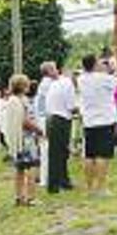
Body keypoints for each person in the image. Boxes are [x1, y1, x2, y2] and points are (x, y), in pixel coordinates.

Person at [80, 55, 117, 196]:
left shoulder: (82, 79)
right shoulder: (103, 78)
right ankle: (102, 188)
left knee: (89, 155)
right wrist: (116, 67)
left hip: (89, 121)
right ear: (94, 65)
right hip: (104, 120)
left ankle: (89, 188)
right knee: (102, 155)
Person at [5, 75, 42, 206]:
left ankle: (19, 196)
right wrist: (38, 130)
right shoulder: (22, 100)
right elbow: (25, 120)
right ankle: (31, 197)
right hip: (26, 138)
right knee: (31, 166)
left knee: (19, 168)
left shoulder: (10, 100)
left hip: (16, 139)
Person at [45, 64, 76, 193]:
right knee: (59, 153)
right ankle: (55, 184)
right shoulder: (67, 83)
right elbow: (70, 105)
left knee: (59, 152)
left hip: (52, 119)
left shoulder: (53, 84)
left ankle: (62, 180)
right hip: (61, 119)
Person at [34, 62, 57, 186]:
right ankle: (46, 178)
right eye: (54, 69)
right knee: (46, 149)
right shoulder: (49, 84)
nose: (56, 71)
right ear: (48, 71)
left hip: (42, 118)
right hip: (45, 119)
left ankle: (45, 178)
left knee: (45, 149)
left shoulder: (44, 83)